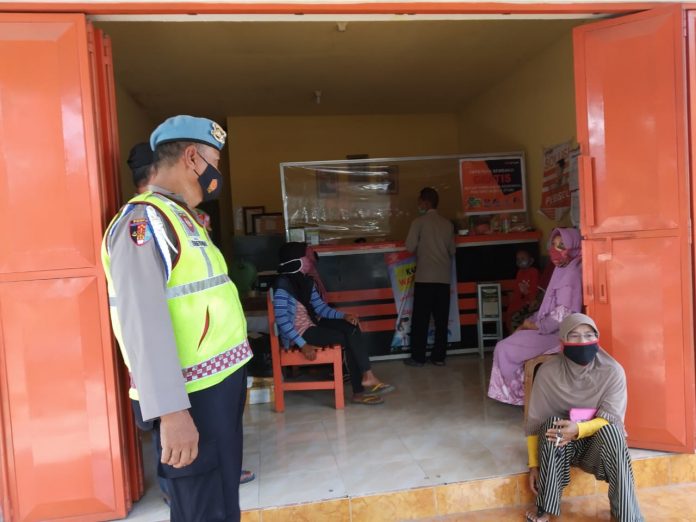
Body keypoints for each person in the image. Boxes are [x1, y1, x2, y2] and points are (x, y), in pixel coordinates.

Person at [102, 115, 252, 522]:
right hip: (190, 398)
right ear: (191, 158)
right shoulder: (142, 222)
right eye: (214, 162)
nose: (217, 174)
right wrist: (171, 412)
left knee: (222, 502)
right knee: (201, 508)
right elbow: (142, 322)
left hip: (217, 386)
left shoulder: (182, 217)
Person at [525, 313, 643, 522]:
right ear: (563, 340)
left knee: (612, 432)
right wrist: (534, 465)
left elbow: (612, 417)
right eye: (575, 336)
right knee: (552, 426)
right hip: (560, 447)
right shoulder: (548, 372)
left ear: (597, 338)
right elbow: (535, 422)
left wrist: (578, 430)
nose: (582, 341)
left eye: (589, 335)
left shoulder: (612, 371)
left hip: (596, 447)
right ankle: (545, 504)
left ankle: (625, 513)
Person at [273, 242, 395, 405]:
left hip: (312, 325)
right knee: (349, 339)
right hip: (299, 334)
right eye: (305, 257)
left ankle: (367, 375)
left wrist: (344, 316)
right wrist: (303, 344)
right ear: (295, 261)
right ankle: (360, 390)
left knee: (351, 327)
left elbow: (321, 308)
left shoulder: (306, 282)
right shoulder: (282, 286)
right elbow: (282, 320)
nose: (310, 261)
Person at [488, 227, 582, 405]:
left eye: (562, 246)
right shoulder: (564, 269)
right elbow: (548, 307)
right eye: (554, 245)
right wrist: (529, 322)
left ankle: (518, 395)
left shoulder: (571, 274)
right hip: (550, 329)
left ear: (574, 247)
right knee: (512, 339)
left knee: (504, 347)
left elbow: (563, 314)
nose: (555, 250)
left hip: (558, 335)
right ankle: (521, 392)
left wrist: (534, 326)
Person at [403, 187, 456, 367]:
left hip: (425, 278)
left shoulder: (418, 222)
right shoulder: (447, 224)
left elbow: (409, 246)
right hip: (443, 279)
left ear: (426, 203)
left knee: (421, 320)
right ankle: (439, 357)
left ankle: (418, 357)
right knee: (441, 321)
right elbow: (452, 250)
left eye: (419, 202)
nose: (418, 205)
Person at [505, 249, 540, 333]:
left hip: (528, 305)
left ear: (531, 261)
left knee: (516, 320)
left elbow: (534, 290)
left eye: (523, 258)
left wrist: (528, 295)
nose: (520, 261)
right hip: (517, 305)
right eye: (518, 259)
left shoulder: (534, 272)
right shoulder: (520, 272)